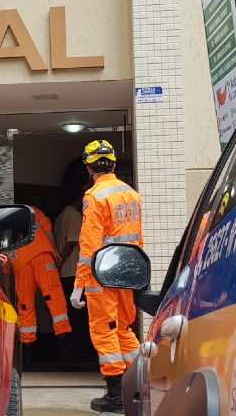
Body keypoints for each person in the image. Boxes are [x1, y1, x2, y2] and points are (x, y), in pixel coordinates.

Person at [70, 139, 143, 414]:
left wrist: (79, 285)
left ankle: (115, 397)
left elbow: (89, 247)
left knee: (104, 331)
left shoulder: (94, 197)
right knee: (123, 329)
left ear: (89, 168)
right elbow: (138, 240)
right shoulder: (132, 194)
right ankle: (137, 387)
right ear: (113, 164)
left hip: (102, 275)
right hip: (128, 272)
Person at [9, 205, 74, 367]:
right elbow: (48, 231)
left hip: (20, 261)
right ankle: (65, 350)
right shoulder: (35, 211)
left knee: (25, 305)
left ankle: (28, 354)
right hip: (42, 256)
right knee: (55, 300)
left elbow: (5, 249)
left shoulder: (7, 217)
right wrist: (55, 252)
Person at [54, 173, 97, 364]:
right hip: (73, 272)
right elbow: (72, 242)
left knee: (71, 315)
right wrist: (61, 261)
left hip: (66, 273)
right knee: (79, 316)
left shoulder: (62, 216)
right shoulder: (74, 216)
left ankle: (72, 351)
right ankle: (80, 352)